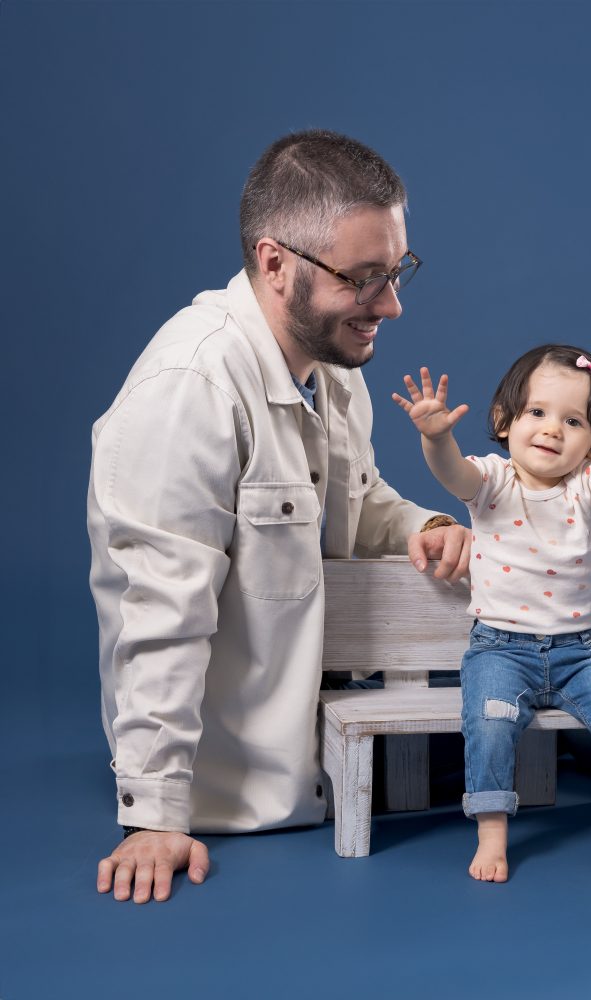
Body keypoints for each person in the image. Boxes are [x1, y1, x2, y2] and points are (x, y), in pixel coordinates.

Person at [88, 130, 470, 904]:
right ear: (274, 262)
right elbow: (158, 609)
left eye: (396, 272)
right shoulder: (189, 387)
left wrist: (421, 528)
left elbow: (354, 504)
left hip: (337, 749)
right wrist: (155, 817)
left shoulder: (327, 367)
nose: (391, 305)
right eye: (365, 279)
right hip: (239, 794)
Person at [392, 345, 591, 882]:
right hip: (501, 649)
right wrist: (435, 437)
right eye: (537, 413)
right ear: (504, 419)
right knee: (490, 724)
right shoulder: (493, 481)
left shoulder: (588, 489)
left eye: (573, 421)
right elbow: (452, 474)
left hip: (580, 654)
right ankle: (492, 834)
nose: (552, 430)